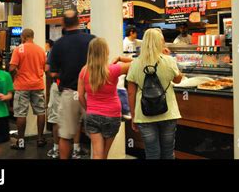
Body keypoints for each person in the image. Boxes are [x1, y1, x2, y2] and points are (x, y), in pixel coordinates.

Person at [127, 28, 183, 159]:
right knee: (168, 153)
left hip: (144, 114)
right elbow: (178, 80)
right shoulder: (168, 60)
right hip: (168, 113)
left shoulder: (135, 63)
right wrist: (169, 57)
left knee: (152, 153)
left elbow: (131, 92)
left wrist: (134, 115)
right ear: (160, 42)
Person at [48, 10, 95, 159]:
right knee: (96, 134)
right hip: (90, 94)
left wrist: (64, 73)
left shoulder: (58, 44)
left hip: (69, 93)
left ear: (63, 23)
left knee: (66, 135)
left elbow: (52, 72)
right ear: (79, 21)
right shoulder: (92, 40)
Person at [78, 38, 132, 159]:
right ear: (105, 52)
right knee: (104, 154)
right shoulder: (113, 69)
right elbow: (139, 63)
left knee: (97, 154)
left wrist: (89, 109)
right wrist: (121, 58)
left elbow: (80, 96)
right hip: (112, 115)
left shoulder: (84, 71)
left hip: (92, 115)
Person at [9, 29, 47, 150]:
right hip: (38, 85)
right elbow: (45, 68)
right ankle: (40, 139)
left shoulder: (19, 49)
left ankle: (20, 142)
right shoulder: (41, 50)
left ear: (23, 36)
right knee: (41, 112)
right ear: (33, 36)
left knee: (21, 114)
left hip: (22, 86)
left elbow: (11, 68)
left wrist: (15, 75)